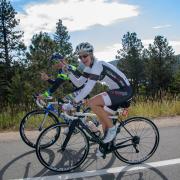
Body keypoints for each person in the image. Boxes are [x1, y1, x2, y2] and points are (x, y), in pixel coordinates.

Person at [66, 42, 133, 156]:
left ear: (91, 54)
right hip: (117, 92)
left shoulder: (98, 65)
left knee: (92, 103)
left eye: (85, 55)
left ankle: (112, 130)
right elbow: (78, 83)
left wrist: (73, 102)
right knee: (103, 118)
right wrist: (68, 73)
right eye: (80, 56)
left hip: (124, 90)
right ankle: (106, 147)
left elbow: (87, 88)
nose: (82, 59)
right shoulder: (89, 68)